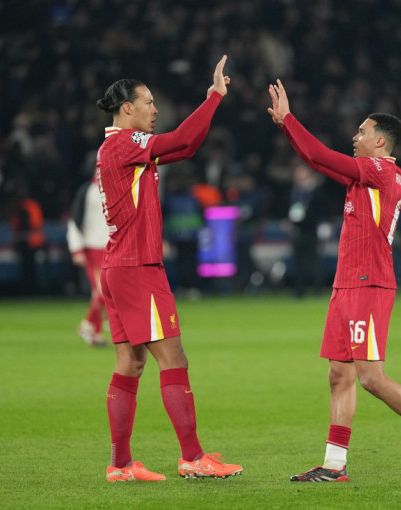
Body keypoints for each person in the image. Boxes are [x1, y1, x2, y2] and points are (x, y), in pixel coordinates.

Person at [267, 79, 401, 482]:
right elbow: (319, 163)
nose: (355, 137)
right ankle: (334, 465)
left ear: (380, 142)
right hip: (346, 285)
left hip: (369, 284)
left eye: (362, 132)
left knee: (371, 377)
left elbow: (319, 156)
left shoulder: (381, 171)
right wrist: (287, 128)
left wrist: (289, 120)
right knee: (339, 375)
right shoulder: (365, 176)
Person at [96, 55, 242, 482]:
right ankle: (193, 457)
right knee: (173, 359)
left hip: (118, 265)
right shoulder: (125, 143)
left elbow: (186, 146)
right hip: (138, 267)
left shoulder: (117, 148)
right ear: (127, 108)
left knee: (130, 364)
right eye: (148, 102)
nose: (155, 109)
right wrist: (214, 96)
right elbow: (183, 136)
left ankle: (121, 464)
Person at [67, 167, 109, 346]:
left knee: (101, 292)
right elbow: (75, 220)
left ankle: (95, 332)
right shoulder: (86, 192)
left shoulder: (115, 189)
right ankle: (87, 324)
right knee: (103, 290)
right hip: (93, 249)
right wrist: (76, 249)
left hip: (112, 247)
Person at [284, 160, 326, 297]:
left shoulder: (315, 191)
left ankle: (317, 290)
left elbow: (321, 210)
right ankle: (299, 291)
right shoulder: (294, 192)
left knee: (314, 260)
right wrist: (288, 222)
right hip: (296, 230)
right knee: (298, 261)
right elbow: (289, 209)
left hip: (311, 229)